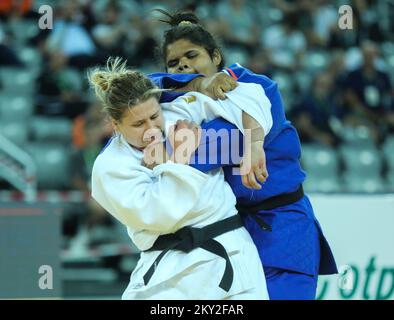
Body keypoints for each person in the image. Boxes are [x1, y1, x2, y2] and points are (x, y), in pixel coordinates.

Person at [148, 10, 338, 300]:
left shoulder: (256, 89)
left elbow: (205, 152)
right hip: (228, 234)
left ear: (215, 58)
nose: (183, 64)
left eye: (192, 55)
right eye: (173, 63)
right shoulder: (184, 104)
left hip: (283, 228)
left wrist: (175, 147)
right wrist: (198, 84)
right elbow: (138, 87)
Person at [88, 57, 272, 300]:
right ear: (115, 125)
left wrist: (254, 143)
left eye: (154, 116)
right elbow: (161, 215)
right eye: (138, 124)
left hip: (232, 256)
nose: (151, 128)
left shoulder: (180, 113)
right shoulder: (111, 166)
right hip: (167, 271)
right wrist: (180, 159)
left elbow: (252, 95)